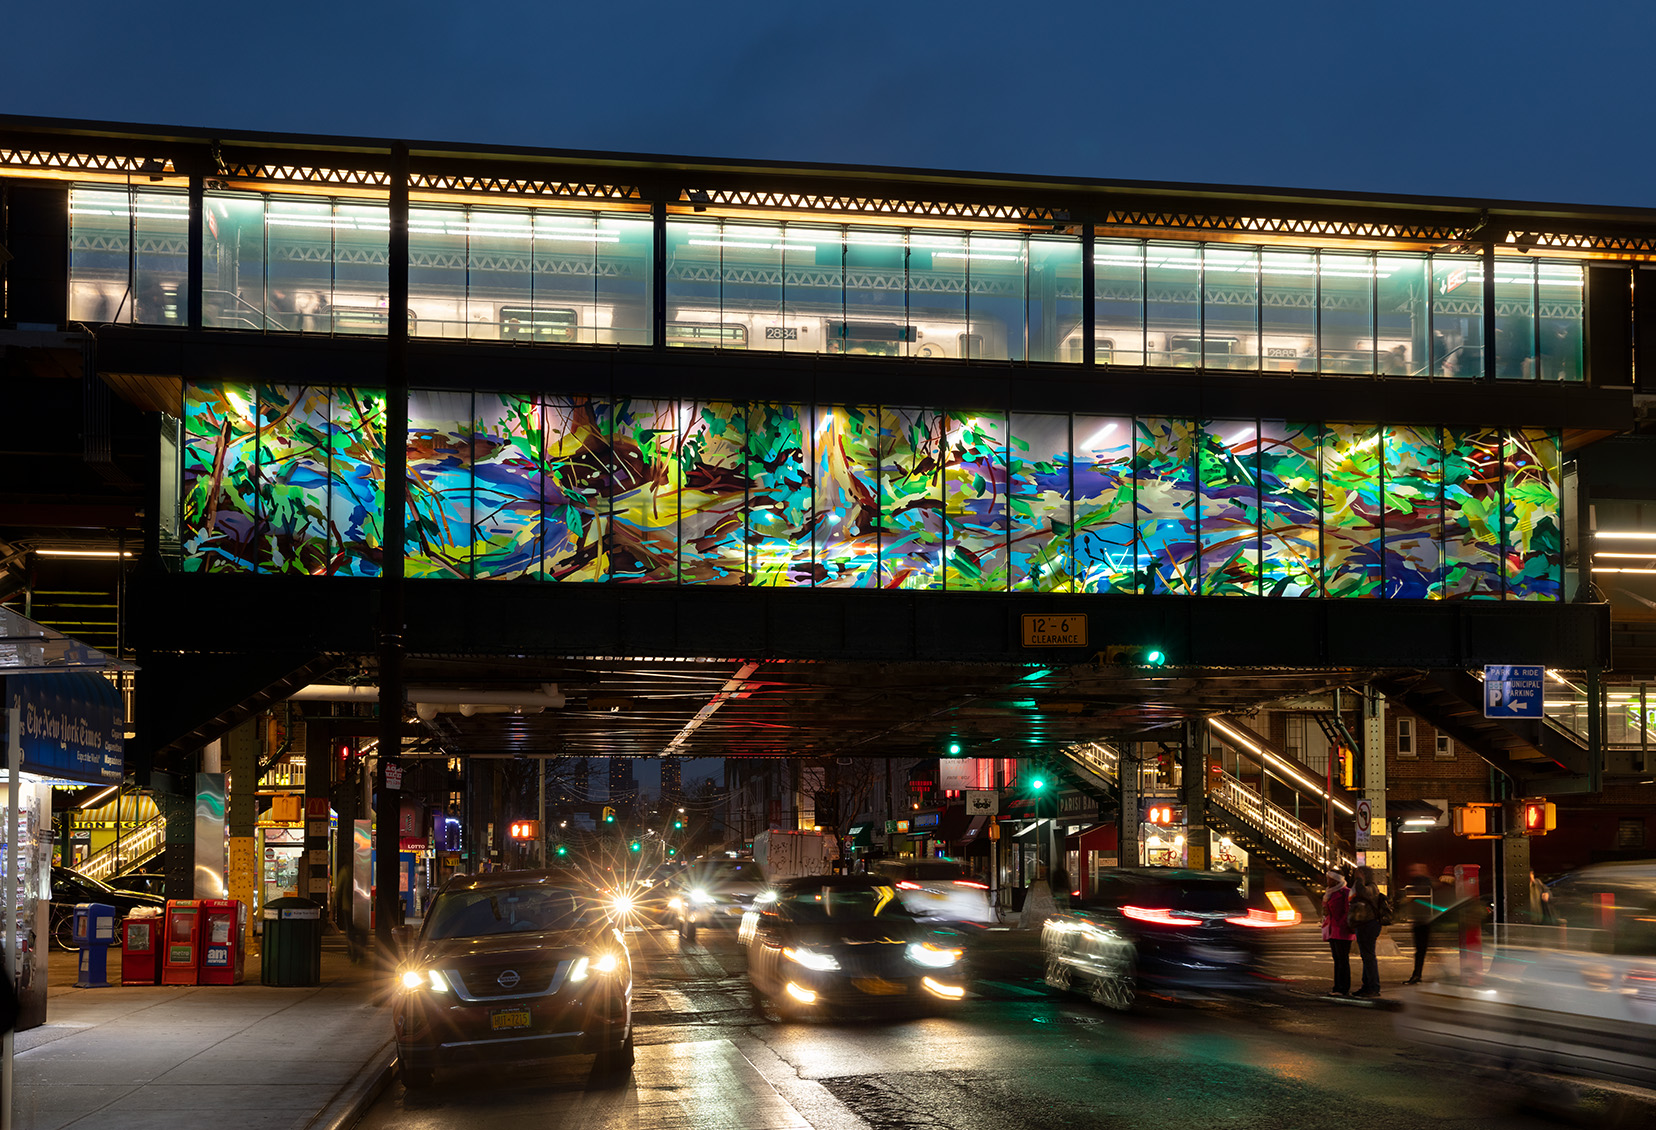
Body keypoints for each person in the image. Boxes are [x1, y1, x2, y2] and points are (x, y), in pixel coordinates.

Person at [1348, 865, 1385, 997]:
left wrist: (1359, 880)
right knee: (1366, 956)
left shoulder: (1372, 887)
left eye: (1358, 874)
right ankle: (1367, 985)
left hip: (1369, 925)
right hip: (1362, 924)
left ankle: (1374, 987)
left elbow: (1362, 892)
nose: (1355, 876)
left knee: (1369, 956)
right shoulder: (1366, 886)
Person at [1321, 868, 1354, 997]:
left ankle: (1343, 987)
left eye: (1330, 879)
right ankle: (1337, 986)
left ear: (1336, 880)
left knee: (1343, 959)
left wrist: (1342, 924)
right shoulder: (1329, 893)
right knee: (1337, 959)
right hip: (1331, 929)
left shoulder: (1346, 892)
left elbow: (1348, 912)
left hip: (1342, 930)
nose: (1327, 881)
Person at [1400, 863, 1435, 985]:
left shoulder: (1421, 881)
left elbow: (1415, 895)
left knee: (1421, 949)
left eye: (1414, 870)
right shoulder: (1427, 881)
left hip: (1422, 920)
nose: (1411, 872)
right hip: (1423, 919)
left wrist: (1407, 899)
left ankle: (1416, 975)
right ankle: (1417, 974)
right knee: (1423, 949)